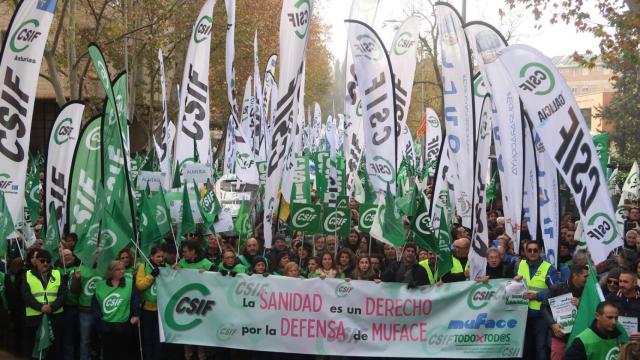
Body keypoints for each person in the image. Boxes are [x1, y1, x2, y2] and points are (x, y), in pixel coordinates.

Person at [515, 240, 559, 360]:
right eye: (529, 250)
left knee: (541, 348)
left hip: (541, 315)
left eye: (535, 250)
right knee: (525, 348)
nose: (533, 253)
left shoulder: (548, 268)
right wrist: (514, 281)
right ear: (525, 252)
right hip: (522, 314)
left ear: (540, 251)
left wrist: (537, 296)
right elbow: (510, 284)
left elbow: (556, 290)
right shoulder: (520, 265)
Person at [22, 250, 66, 359]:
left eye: (48, 261)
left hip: (55, 316)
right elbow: (26, 295)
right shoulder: (27, 275)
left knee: (54, 349)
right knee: (35, 348)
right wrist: (40, 307)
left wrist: (52, 307)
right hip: (35, 318)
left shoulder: (57, 274)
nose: (45, 263)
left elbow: (63, 294)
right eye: (42, 261)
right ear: (36, 261)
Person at [92, 260, 140, 360]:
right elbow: (95, 306)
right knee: (109, 353)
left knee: (124, 353)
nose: (122, 271)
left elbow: (135, 300)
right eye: (118, 269)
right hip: (106, 325)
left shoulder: (130, 283)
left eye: (123, 269)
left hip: (124, 325)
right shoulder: (100, 285)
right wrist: (99, 322)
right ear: (111, 272)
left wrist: (136, 315)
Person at [543, 264, 589, 360]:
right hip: (560, 336)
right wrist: (552, 325)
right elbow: (544, 307)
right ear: (575, 275)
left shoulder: (588, 292)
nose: (588, 279)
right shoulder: (556, 288)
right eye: (585, 276)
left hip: (580, 338)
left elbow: (594, 311)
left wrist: (581, 304)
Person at [135, 247, 164, 360]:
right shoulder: (144, 266)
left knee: (159, 338)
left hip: (161, 310)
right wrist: (151, 275)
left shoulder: (165, 267)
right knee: (147, 338)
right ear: (151, 256)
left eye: (162, 256)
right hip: (147, 310)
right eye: (158, 256)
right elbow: (139, 285)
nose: (160, 259)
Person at [607, 270, 640, 341]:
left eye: (625, 282)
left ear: (635, 283)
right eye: (620, 281)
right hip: (616, 340)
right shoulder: (611, 298)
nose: (621, 284)